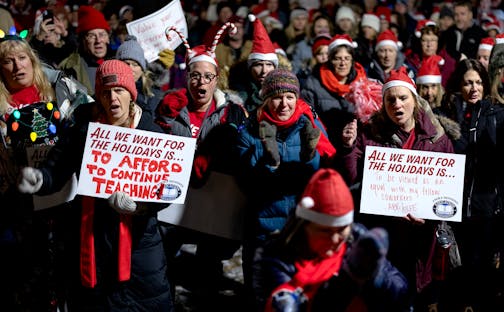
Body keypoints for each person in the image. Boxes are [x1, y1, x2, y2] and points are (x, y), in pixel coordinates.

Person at [17, 60, 173, 311]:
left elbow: (167, 188)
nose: (113, 98)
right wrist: (40, 180)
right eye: (105, 92)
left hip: (139, 247)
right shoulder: (82, 130)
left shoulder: (150, 132)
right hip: (91, 240)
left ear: (131, 94)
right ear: (98, 96)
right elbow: (55, 170)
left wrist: (140, 205)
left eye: (119, 90)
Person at [339, 67, 457, 309]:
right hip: (388, 235)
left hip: (424, 237)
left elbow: (449, 189)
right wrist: (349, 148)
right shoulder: (370, 135)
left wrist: (430, 214)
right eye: (390, 99)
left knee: (422, 295)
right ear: (384, 104)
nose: (397, 104)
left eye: (403, 98)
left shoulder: (438, 138)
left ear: (414, 100)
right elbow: (353, 179)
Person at [0, 28, 92, 311]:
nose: (17, 67)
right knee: (30, 279)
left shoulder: (65, 92)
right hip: (19, 210)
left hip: (66, 201)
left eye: (22, 58)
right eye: (8, 61)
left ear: (33, 60)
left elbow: (91, 126)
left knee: (68, 275)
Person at [157, 24, 248, 304]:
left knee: (209, 266)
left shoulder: (231, 112)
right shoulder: (171, 109)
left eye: (207, 77)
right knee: (166, 260)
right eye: (195, 76)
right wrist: (164, 119)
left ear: (216, 80)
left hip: (211, 203)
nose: (201, 83)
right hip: (173, 203)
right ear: (187, 79)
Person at [236, 68, 336, 309]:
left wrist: (309, 157)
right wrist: (267, 159)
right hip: (263, 229)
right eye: (277, 97)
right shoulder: (249, 130)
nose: (284, 104)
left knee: (298, 293)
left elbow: (323, 176)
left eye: (289, 97)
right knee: (263, 294)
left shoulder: (309, 127)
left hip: (301, 229)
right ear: (266, 99)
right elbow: (243, 180)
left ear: (297, 98)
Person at [255, 168, 409, 311]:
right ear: (304, 226)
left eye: (342, 229)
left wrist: (377, 275)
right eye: (325, 231)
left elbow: (401, 294)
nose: (335, 239)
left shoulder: (358, 240)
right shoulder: (276, 256)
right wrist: (351, 277)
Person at [438, 58, 504, 310]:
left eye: (478, 82)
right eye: (468, 83)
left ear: (486, 85)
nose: (474, 88)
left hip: (487, 206)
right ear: (458, 86)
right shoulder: (443, 116)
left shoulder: (497, 115)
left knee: (483, 269)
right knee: (457, 269)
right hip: (451, 208)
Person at [301, 34, 367, 147]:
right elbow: (306, 118)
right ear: (330, 60)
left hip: (354, 145)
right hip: (324, 143)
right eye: (337, 59)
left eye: (347, 58)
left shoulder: (362, 84)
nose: (343, 63)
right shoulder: (313, 83)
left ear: (352, 61)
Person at [229, 14, 278, 113]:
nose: (264, 71)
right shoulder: (240, 91)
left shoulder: (284, 91)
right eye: (259, 65)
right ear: (250, 68)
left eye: (269, 65)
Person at [59, 5, 112, 96]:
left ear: (108, 38)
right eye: (91, 36)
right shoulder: (70, 68)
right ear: (83, 40)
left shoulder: (120, 62)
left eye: (102, 34)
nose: (98, 40)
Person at [115, 35, 162, 118]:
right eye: (126, 64)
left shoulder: (155, 95)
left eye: (135, 64)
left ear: (142, 69)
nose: (130, 68)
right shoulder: (108, 93)